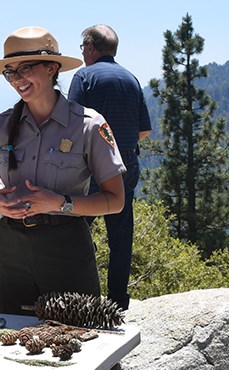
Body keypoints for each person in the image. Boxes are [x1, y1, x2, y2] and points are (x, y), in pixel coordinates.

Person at [0, 26, 126, 315]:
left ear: (52, 68)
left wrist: (61, 203)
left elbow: (115, 201)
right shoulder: (0, 126)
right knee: (13, 345)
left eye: (26, 68)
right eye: (10, 72)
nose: (17, 79)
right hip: (9, 249)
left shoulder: (89, 125)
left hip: (66, 247)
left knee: (80, 340)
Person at [68, 24, 152, 311]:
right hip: (127, 161)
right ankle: (118, 301)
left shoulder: (84, 76)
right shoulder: (131, 79)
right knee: (120, 232)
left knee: (76, 229)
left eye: (83, 48)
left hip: (91, 164)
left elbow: (72, 123)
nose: (82, 53)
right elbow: (144, 131)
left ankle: (79, 295)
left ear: (91, 48)